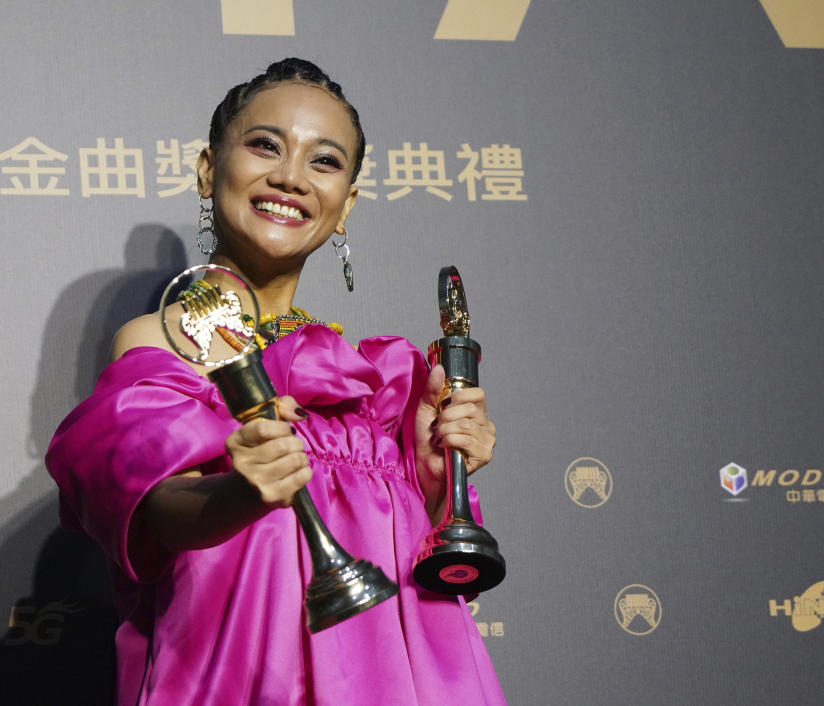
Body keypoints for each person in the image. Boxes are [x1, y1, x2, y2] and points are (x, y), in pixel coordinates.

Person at [46, 58, 506, 706]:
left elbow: (421, 569)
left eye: (325, 162)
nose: (290, 177)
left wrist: (436, 481)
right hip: (242, 671)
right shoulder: (164, 339)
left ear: (346, 205)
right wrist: (242, 493)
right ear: (209, 170)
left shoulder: (379, 385)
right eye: (266, 145)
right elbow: (155, 512)